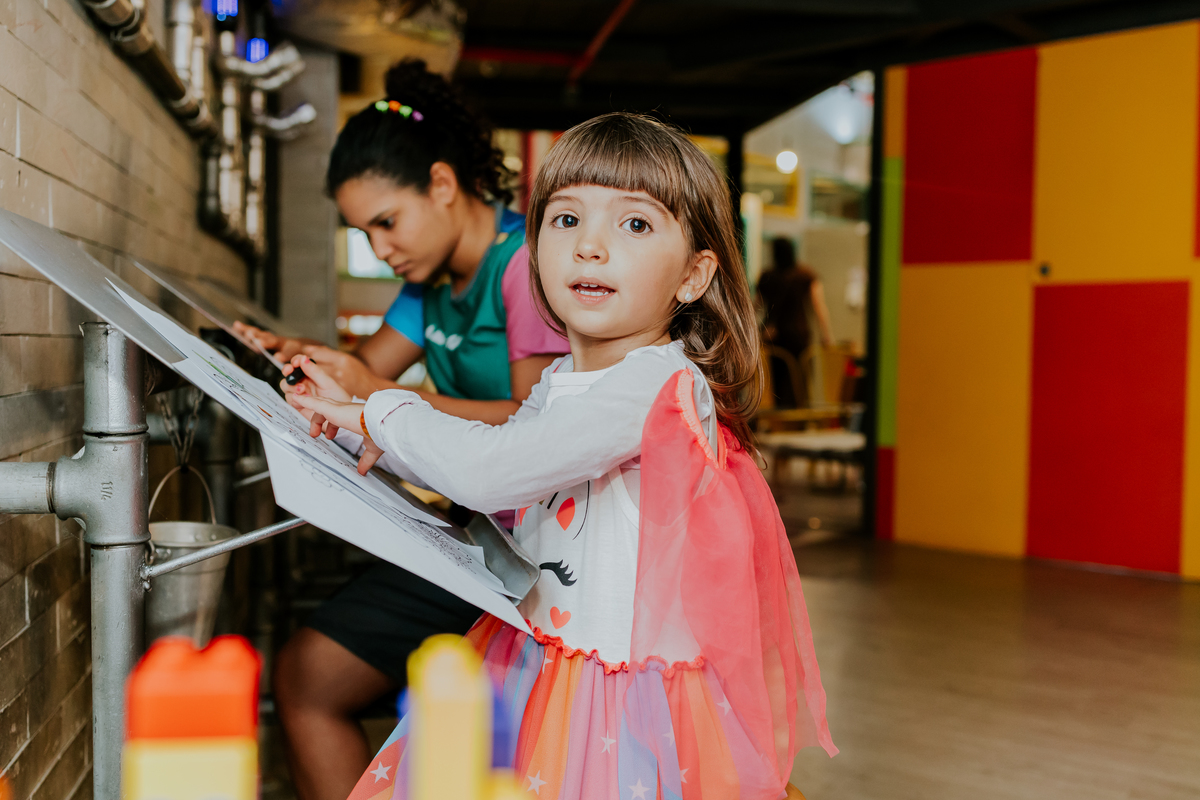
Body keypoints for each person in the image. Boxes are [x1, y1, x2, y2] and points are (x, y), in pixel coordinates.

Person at [293, 112, 836, 799]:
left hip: (617, 700)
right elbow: (498, 457)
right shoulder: (566, 382)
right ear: (536, 251)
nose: (591, 247)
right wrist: (347, 423)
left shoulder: (655, 386)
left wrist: (379, 411)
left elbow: (490, 469)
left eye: (634, 224)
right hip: (548, 663)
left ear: (695, 275)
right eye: (566, 220)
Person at [242, 60, 568, 800]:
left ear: (444, 186)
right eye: (364, 233)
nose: (380, 248)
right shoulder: (428, 285)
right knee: (307, 675)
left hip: (537, 552)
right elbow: (363, 372)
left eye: (387, 223)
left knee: (311, 676)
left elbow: (536, 425)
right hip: (477, 534)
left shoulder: (521, 268)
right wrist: (291, 359)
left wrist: (376, 394)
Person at [756, 237, 834, 408]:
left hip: (773, 336)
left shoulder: (767, 276)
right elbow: (818, 306)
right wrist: (826, 335)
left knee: (778, 383)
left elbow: (756, 306)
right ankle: (800, 417)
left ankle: (781, 417)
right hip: (799, 335)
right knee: (801, 379)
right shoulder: (805, 275)